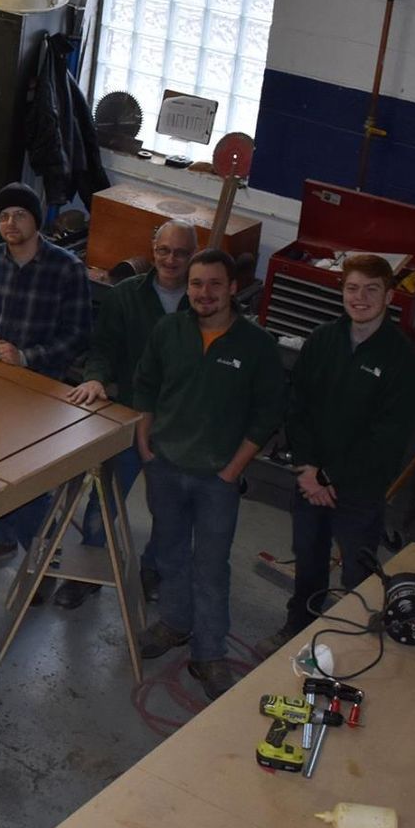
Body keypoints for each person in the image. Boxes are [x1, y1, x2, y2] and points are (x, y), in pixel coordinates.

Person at [131, 247, 285, 702]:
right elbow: (146, 384)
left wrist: (233, 469)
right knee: (172, 553)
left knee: (211, 566)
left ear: (233, 287)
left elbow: (269, 412)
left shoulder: (256, 345)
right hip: (165, 465)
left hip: (216, 476)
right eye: (196, 284)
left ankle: (210, 652)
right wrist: (145, 444)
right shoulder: (170, 331)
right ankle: (175, 624)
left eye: (215, 283)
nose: (204, 293)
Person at [257, 254, 415, 658]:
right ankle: (298, 627)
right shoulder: (323, 340)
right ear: (342, 291)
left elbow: (387, 437)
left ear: (388, 295)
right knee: (309, 561)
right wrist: (309, 470)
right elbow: (298, 407)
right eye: (352, 288)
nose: (360, 297)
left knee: (358, 573)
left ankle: (356, 648)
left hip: (358, 490)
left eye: (371, 289)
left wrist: (329, 476)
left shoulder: (401, 359)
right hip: (311, 479)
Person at [59, 218, 198, 607]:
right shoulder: (125, 295)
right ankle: (87, 569)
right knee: (105, 497)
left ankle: (153, 570)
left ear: (194, 256)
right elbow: (102, 347)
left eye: (181, 253)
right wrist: (95, 379)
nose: (171, 259)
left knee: (170, 507)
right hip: (130, 414)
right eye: (164, 250)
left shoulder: (203, 302)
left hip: (179, 424)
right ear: (153, 249)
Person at [0, 183, 93, 571]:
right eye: (2, 216)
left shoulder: (66, 269)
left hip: (41, 392)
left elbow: (78, 333)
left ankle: (43, 560)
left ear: (37, 220)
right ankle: (0, 537)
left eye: (19, 214)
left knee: (31, 480)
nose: (10, 223)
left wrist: (27, 357)